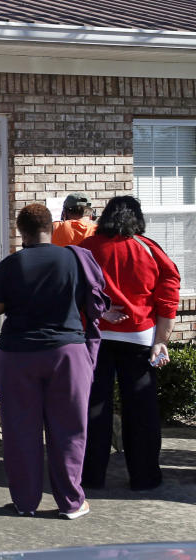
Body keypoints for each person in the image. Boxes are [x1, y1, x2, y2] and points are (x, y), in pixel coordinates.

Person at [0, 203, 109, 518]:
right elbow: (94, 300)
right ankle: (71, 503)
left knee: (20, 430)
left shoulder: (11, 265)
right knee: (69, 429)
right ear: (52, 227)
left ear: (20, 232)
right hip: (67, 353)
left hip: (18, 354)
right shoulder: (76, 258)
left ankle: (25, 503)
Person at [80, 195, 180, 491]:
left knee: (94, 407)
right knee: (142, 410)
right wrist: (162, 341)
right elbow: (168, 297)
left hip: (97, 336)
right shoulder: (149, 249)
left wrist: (98, 310)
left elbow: (74, 288)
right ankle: (145, 476)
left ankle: (90, 476)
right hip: (140, 336)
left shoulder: (86, 249)